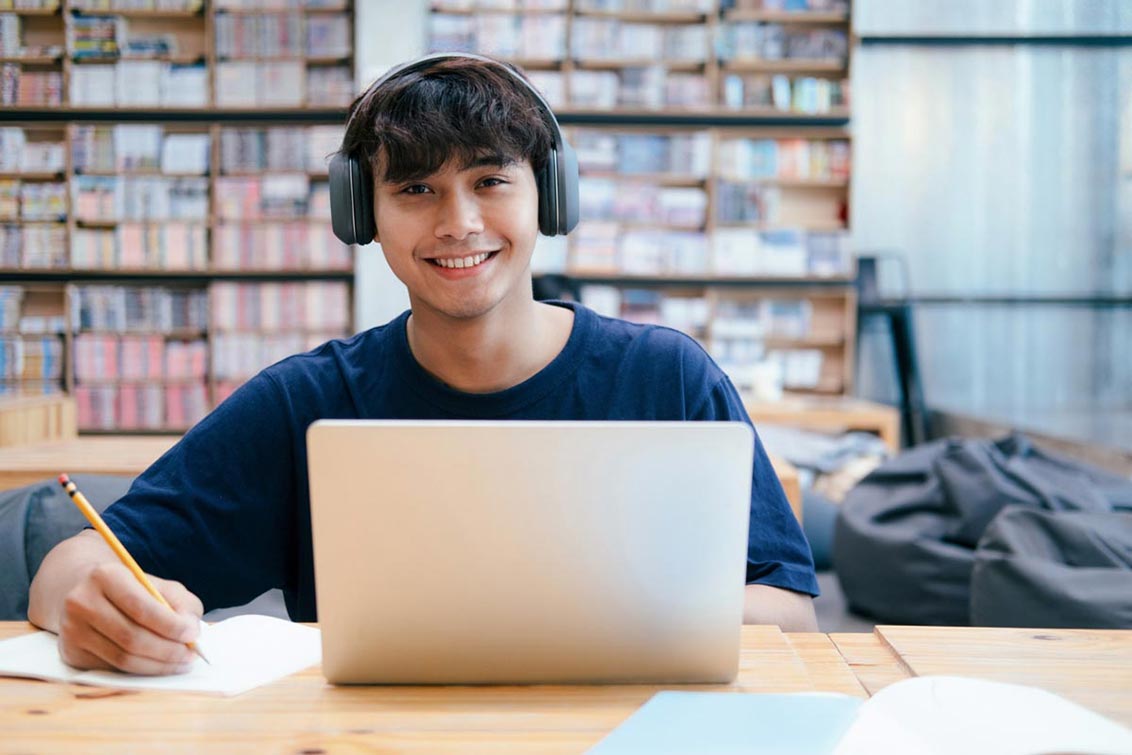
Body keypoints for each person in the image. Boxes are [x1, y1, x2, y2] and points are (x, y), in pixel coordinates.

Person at [28, 53, 819, 676]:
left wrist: (592, 620)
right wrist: (91, 603)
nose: (459, 223)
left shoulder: (665, 378)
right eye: (416, 187)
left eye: (489, 180)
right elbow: (70, 566)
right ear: (361, 213)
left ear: (548, 197)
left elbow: (792, 616)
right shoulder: (309, 402)